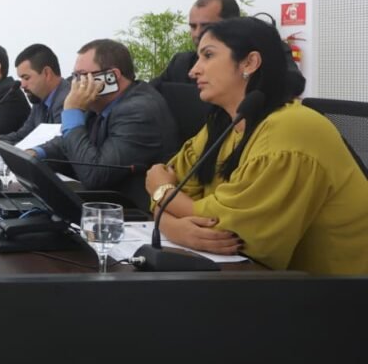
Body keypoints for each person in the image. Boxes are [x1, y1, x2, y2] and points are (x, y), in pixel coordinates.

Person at [145, 17, 368, 274]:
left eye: (208, 55)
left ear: (249, 63)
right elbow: (178, 190)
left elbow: (231, 237)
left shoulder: (290, 129)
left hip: (340, 289)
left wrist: (162, 194)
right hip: (272, 283)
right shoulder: (223, 124)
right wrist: (173, 225)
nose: (193, 71)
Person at [29, 39, 179, 209]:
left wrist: (72, 111)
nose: (75, 84)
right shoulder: (99, 105)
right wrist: (37, 153)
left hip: (131, 212)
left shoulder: (138, 111)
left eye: (82, 76)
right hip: (103, 204)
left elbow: (94, 175)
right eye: (75, 76)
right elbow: (69, 143)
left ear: (111, 77)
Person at [151, 0, 305, 96]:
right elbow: (149, 92)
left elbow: (293, 84)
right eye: (193, 26)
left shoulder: (268, 51)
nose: (197, 33)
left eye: (206, 26)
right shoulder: (181, 63)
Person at [0, 44, 69, 153]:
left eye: (26, 78)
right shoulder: (39, 101)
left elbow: (60, 145)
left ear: (46, 73)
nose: (22, 85)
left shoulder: (67, 100)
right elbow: (23, 136)